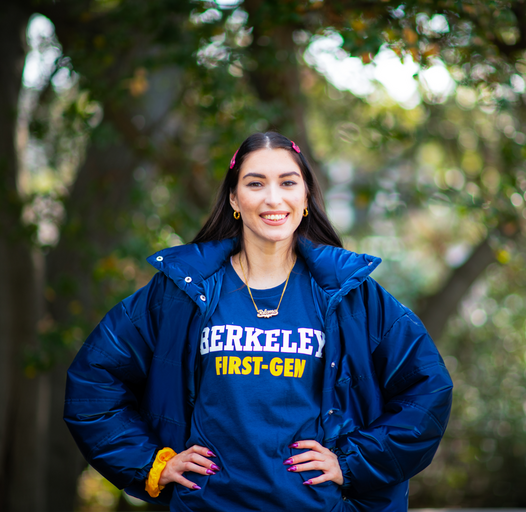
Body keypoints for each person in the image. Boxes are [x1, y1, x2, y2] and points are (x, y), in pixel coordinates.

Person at [64, 132, 453, 511]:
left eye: (288, 182)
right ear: (234, 197)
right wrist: (153, 463)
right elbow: (93, 381)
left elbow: (427, 390)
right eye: (255, 183)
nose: (273, 198)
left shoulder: (351, 295)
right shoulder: (183, 292)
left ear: (305, 197)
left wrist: (349, 461)